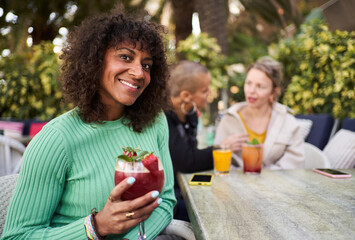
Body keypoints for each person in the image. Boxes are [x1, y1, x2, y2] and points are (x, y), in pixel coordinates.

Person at [1, 8, 176, 240]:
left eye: (147, 65)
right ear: (94, 61)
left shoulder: (154, 121)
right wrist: (95, 227)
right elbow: (17, 236)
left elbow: (166, 200)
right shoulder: (56, 140)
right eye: (125, 57)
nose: (138, 72)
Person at [165, 60, 244, 220]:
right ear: (186, 95)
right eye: (204, 90)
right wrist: (222, 148)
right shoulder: (164, 119)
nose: (209, 93)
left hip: (186, 191)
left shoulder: (190, 114)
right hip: (171, 202)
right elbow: (186, 163)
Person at [214, 56, 305, 169]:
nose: (251, 91)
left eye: (260, 86)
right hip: (236, 185)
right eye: (248, 83)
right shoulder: (229, 120)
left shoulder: (288, 123)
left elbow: (293, 167)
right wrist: (222, 147)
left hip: (275, 186)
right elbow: (217, 165)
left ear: (273, 91)